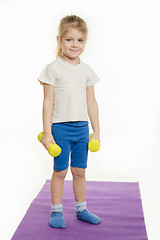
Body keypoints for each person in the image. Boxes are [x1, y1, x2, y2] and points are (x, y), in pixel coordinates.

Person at [37, 15, 101, 229]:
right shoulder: (53, 68)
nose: (75, 45)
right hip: (61, 128)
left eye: (80, 40)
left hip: (82, 129)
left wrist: (96, 132)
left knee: (80, 171)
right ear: (59, 40)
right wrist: (47, 133)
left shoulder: (87, 70)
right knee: (60, 171)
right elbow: (48, 102)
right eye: (69, 40)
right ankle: (56, 211)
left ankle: (81, 209)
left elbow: (92, 102)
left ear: (85, 42)